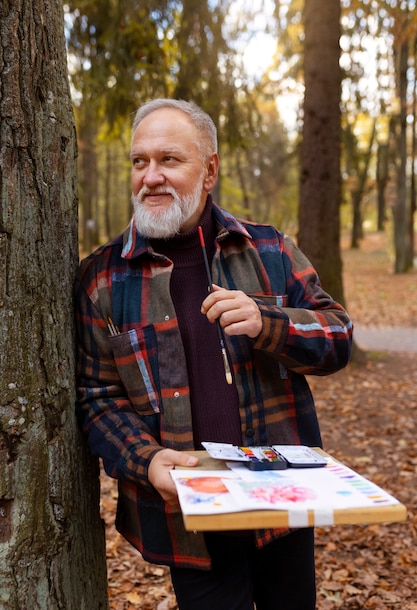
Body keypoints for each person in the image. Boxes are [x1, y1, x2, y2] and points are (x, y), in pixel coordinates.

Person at [74, 98, 353, 610]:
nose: (150, 176)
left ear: (209, 170)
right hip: (189, 519)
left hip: (281, 502)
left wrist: (271, 324)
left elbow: (339, 339)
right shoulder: (101, 278)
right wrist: (149, 459)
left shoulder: (268, 249)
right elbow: (97, 397)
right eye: (140, 162)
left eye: (169, 160)